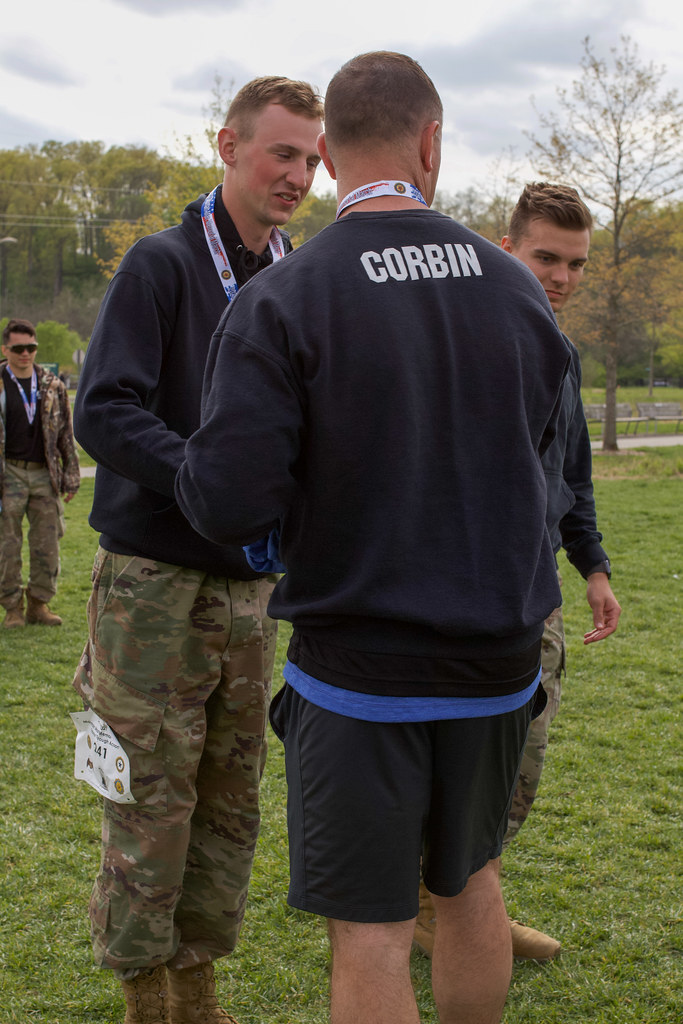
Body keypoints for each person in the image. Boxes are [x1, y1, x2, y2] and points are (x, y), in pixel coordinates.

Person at [176, 52, 572, 1024]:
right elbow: (545, 462)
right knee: (469, 882)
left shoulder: (281, 297)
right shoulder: (515, 290)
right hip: (494, 661)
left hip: (357, 670)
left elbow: (225, 503)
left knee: (370, 929)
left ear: (328, 152)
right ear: (430, 142)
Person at [71, 77, 323, 1024]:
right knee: (147, 797)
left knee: (227, 804)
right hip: (153, 586)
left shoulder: (295, 277)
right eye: (280, 152)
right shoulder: (162, 265)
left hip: (250, 593)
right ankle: (147, 998)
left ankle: (197, 990)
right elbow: (103, 409)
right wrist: (204, 479)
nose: (297, 173)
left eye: (310, 156)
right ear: (228, 144)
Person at [413, 182, 622, 962]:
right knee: (461, 760)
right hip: (467, 596)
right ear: (504, 250)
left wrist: (592, 565)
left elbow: (571, 475)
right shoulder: (465, 341)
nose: (561, 276)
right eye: (544, 257)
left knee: (518, 767)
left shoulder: (561, 352)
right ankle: (442, 909)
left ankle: (458, 899)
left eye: (573, 263)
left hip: (538, 595)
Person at [1, 317, 79, 628]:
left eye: (31, 347)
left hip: (44, 474)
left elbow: (65, 436)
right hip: (8, 474)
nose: (25, 353)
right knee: (7, 544)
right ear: (6, 349)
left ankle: (39, 605)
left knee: (48, 543)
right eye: (18, 348)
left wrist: (71, 476)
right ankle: (12, 609)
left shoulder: (53, 385)